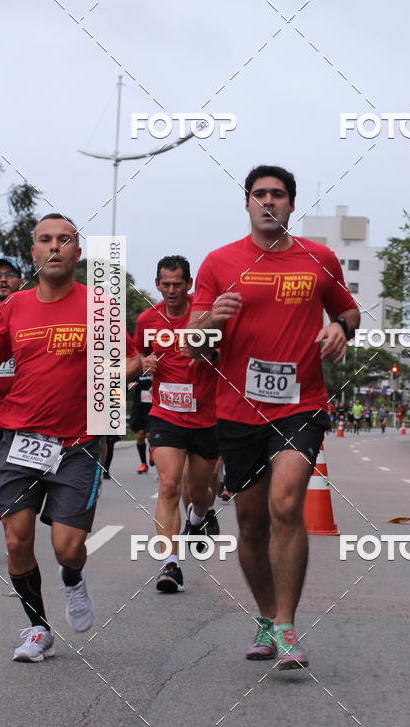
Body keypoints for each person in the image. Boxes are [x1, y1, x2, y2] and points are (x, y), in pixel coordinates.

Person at [188, 164, 359, 669]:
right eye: (259, 194)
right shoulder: (218, 262)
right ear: (247, 204)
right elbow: (193, 344)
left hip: (301, 404)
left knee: (286, 504)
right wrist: (211, 321)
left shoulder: (319, 258)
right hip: (237, 409)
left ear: (291, 204)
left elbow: (349, 310)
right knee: (251, 522)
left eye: (278, 194)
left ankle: (286, 625)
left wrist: (340, 327)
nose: (268, 201)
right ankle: (265, 615)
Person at [0, 214, 141, 662]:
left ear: (77, 252)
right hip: (21, 439)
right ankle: (38, 628)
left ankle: (72, 579)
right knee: (16, 539)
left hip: (76, 445)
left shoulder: (99, 304)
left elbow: (132, 361)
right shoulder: (14, 306)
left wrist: (107, 375)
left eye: (64, 240)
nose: (54, 247)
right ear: (33, 252)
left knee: (67, 549)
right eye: (45, 240)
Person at [134, 255, 219, 594]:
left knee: (198, 493)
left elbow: (227, 354)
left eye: (177, 284)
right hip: (166, 414)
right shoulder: (147, 319)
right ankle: (170, 564)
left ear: (189, 284)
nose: (171, 290)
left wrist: (207, 353)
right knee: (169, 485)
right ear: (157, 284)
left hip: (206, 417)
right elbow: (138, 355)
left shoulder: (205, 316)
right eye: (165, 284)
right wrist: (145, 362)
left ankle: (198, 519)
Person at [0, 256, 22, 553]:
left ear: (20, 280)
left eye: (9, 274)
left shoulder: (28, 308)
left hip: (22, 402)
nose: (2, 279)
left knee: (15, 467)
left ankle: (16, 521)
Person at [128, 372, 153, 474]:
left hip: (153, 409)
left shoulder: (156, 370)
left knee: (150, 434)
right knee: (139, 435)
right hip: (139, 410)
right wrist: (130, 384)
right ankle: (143, 463)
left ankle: (152, 452)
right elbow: (128, 383)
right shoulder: (137, 372)